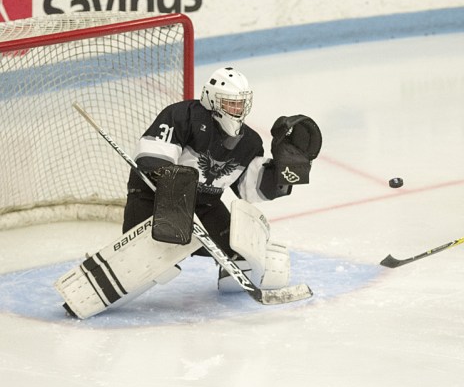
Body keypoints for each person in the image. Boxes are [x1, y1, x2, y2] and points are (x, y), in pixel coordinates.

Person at [123, 66, 321, 291]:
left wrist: (283, 171)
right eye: (231, 103)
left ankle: (229, 282)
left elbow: (251, 190)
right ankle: (140, 261)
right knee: (152, 260)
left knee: (244, 254)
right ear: (212, 99)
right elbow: (152, 158)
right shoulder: (182, 115)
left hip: (205, 206)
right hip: (156, 200)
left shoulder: (249, 142)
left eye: (240, 103)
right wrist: (175, 193)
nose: (237, 109)